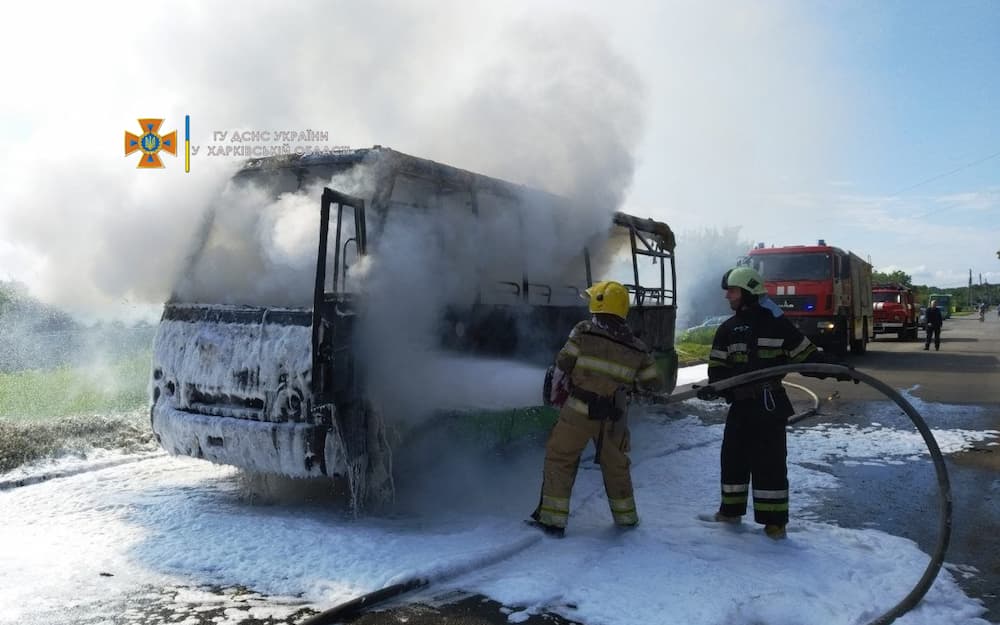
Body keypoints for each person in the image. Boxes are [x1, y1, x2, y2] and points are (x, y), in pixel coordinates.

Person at [698, 267, 845, 540]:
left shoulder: (778, 325)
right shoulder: (727, 329)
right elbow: (717, 369)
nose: (728, 297)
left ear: (748, 293)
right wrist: (719, 389)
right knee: (732, 460)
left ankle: (775, 522)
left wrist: (838, 368)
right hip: (741, 407)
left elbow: (808, 359)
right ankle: (730, 511)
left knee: (771, 464)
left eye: (732, 291)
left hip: (769, 405)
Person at [529, 280, 663, 537]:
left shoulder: (584, 331)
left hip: (578, 412)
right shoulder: (637, 347)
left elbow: (564, 362)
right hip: (614, 417)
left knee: (560, 460)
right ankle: (627, 520)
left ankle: (552, 522)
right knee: (616, 467)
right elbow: (653, 383)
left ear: (598, 303)